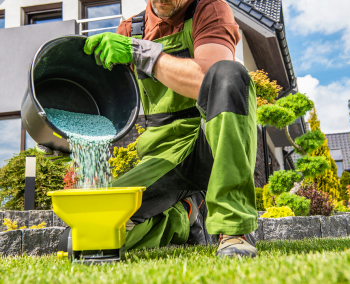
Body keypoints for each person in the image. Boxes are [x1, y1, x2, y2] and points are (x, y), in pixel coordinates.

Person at [39, 0, 259, 257]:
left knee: (230, 73)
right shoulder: (131, 30)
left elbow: (210, 78)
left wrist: (143, 54)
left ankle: (234, 232)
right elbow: (106, 98)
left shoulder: (208, 9)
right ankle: (183, 219)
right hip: (164, 155)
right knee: (83, 239)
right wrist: (59, 135)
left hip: (213, 143)